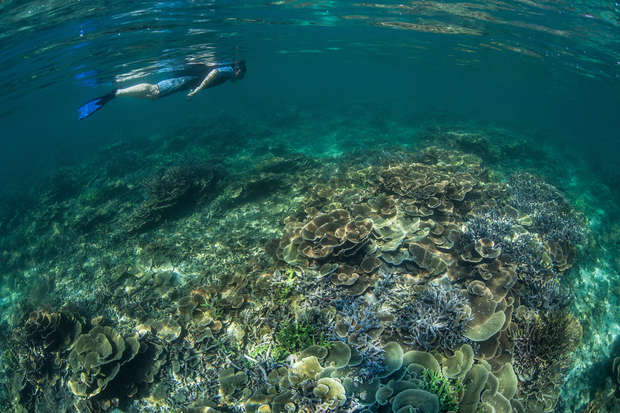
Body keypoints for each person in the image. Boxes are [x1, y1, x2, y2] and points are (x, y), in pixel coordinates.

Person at [78, 60, 246, 120]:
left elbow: (225, 78)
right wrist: (198, 90)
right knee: (154, 91)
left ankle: (117, 93)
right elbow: (214, 72)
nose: (238, 79)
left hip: (185, 81)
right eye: (240, 75)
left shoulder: (231, 75)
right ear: (237, 70)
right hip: (185, 80)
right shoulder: (230, 70)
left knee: (153, 97)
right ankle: (117, 92)